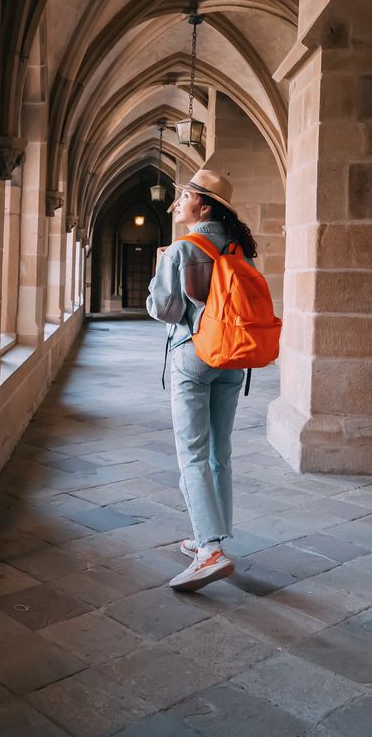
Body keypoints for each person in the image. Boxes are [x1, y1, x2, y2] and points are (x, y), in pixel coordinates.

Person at [146, 166, 258, 592]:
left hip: (193, 355)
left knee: (191, 452)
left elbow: (167, 309)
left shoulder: (183, 248)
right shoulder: (239, 249)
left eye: (185, 195)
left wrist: (159, 274)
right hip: (232, 358)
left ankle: (210, 551)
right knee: (219, 452)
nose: (179, 202)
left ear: (203, 205)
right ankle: (211, 535)